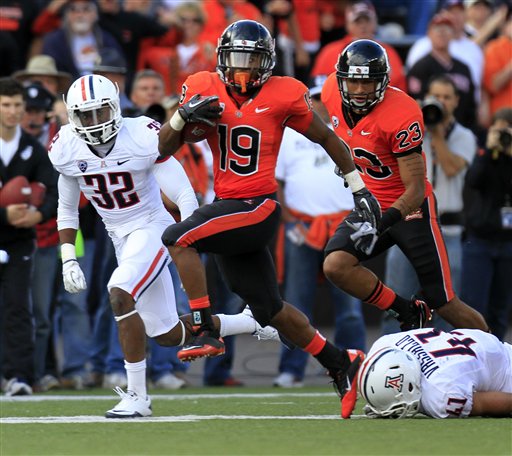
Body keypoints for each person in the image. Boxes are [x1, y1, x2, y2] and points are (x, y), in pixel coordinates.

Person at [158, 20, 381, 417]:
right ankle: (340, 362)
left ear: (268, 62)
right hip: (228, 206)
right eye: (238, 59)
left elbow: (328, 138)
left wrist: (359, 187)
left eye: (252, 60)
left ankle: (202, 326)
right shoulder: (201, 86)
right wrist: (180, 117)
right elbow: (162, 150)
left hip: (257, 205)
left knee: (178, 236)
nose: (243, 69)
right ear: (223, 59)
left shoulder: (284, 93)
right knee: (269, 309)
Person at [49, 73, 277, 417]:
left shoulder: (140, 134)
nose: (94, 122)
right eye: (85, 115)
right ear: (71, 115)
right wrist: (68, 258)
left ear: (115, 108)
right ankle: (252, 322)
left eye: (100, 112)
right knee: (167, 334)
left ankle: (137, 396)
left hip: (153, 227)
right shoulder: (66, 146)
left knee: (119, 290)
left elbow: (185, 193)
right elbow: (66, 209)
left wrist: (188, 241)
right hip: (119, 237)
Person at [320, 39, 488, 336]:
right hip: (371, 204)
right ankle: (408, 311)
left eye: (368, 83)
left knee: (444, 301)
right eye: (354, 82)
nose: (359, 91)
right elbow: (334, 135)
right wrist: (348, 164)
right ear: (342, 79)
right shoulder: (331, 90)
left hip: (411, 210)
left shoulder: (401, 113)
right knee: (336, 265)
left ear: (383, 82)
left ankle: (501, 360)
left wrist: (383, 223)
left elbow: (414, 189)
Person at [273, 78, 366, 388]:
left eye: (323, 98)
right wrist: (289, 222)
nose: (318, 105)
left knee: (350, 305)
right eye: (312, 99)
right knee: (296, 303)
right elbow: (278, 183)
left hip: (345, 226)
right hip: (302, 225)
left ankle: (357, 366)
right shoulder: (289, 135)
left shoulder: (349, 132)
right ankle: (292, 369)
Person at [0, 77, 58, 396]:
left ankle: (18, 376)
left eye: (16, 106)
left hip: (20, 241)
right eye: (6, 105)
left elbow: (52, 191)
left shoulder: (32, 149)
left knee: (18, 309)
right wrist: (3, 214)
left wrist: (38, 214)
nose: (12, 112)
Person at [356, 328, 512, 418]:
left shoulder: (440, 395)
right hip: (489, 347)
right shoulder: (385, 344)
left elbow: (484, 403)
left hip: (505, 374)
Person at [461, 107, 512, 340]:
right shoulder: (486, 155)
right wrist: (487, 151)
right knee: (473, 307)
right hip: (480, 240)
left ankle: (498, 359)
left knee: (500, 310)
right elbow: (472, 180)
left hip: (508, 243)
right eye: (499, 130)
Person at [311, 0, 406, 92]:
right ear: (347, 24)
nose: (363, 26)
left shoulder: (388, 52)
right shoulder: (330, 51)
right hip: (339, 105)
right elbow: (318, 92)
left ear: (375, 22)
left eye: (367, 20)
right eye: (357, 21)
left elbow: (400, 89)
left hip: (383, 104)